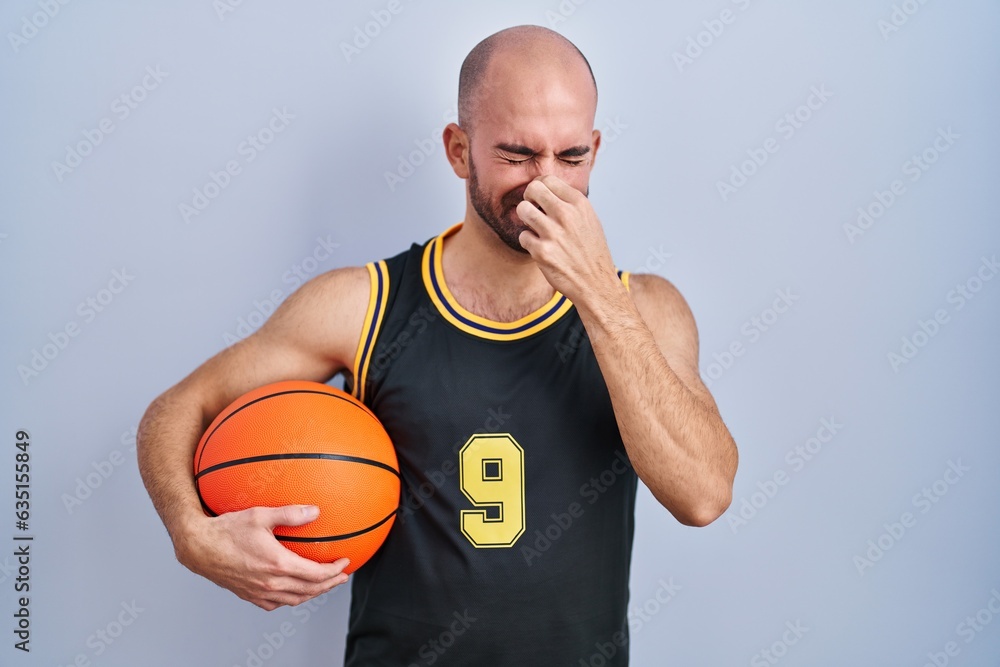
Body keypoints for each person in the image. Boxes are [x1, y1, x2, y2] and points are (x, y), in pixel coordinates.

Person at [137, 24, 738, 666]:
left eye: (570, 157)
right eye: (516, 155)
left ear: (595, 148)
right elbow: (177, 410)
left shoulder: (644, 308)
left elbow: (703, 496)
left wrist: (597, 298)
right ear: (458, 150)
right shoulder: (364, 305)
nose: (545, 184)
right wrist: (190, 533)